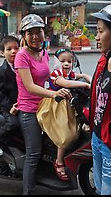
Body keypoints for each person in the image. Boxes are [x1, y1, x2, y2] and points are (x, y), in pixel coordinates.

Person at [14, 14, 72, 195]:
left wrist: (74, 80)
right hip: (29, 109)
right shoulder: (22, 56)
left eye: (38, 31)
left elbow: (53, 77)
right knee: (34, 154)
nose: (35, 36)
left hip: (44, 106)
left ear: (44, 33)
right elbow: (30, 87)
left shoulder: (44, 52)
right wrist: (54, 94)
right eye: (29, 32)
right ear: (24, 35)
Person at [37, 48, 91, 181]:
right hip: (54, 106)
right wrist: (86, 85)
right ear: (57, 62)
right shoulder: (56, 74)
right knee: (65, 135)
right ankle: (59, 161)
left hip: (66, 105)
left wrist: (87, 77)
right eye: (63, 61)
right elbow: (65, 83)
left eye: (69, 61)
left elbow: (75, 76)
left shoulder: (69, 73)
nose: (66, 64)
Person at [89, 4, 111, 195]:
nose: (97, 37)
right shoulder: (104, 60)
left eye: (100, 31)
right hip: (97, 138)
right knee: (99, 190)